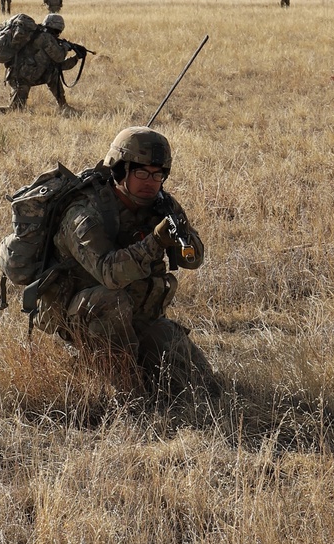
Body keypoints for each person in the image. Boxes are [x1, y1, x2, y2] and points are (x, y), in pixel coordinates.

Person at [33, 126, 218, 402]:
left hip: (139, 315)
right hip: (86, 316)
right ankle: (107, 377)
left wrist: (183, 240)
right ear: (120, 171)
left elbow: (193, 259)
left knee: (203, 389)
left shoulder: (161, 205)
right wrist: (154, 242)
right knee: (131, 394)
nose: (150, 182)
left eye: (158, 175)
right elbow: (108, 273)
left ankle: (126, 364)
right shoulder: (84, 212)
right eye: (141, 173)